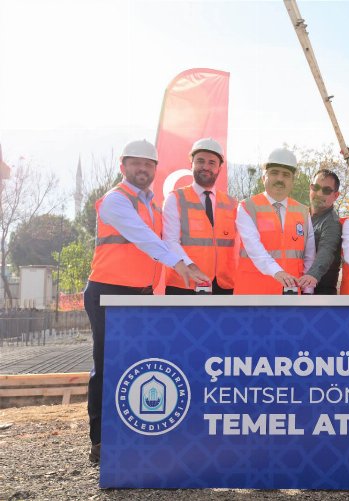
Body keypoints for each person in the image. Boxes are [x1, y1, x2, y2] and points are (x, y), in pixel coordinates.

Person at [84, 140, 208, 463]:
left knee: (133, 365)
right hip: (108, 291)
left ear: (155, 169)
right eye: (135, 163)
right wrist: (177, 263)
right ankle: (100, 440)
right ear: (122, 166)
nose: (142, 169)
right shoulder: (115, 200)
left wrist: (187, 263)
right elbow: (144, 238)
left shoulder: (153, 205)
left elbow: (167, 241)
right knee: (106, 363)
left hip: (141, 293)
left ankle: (129, 433)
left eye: (148, 164)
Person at [234, 147, 316, 294]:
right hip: (252, 295)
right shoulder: (247, 207)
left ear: (293, 181)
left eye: (286, 175)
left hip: (289, 295)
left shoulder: (303, 212)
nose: (279, 179)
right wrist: (277, 272)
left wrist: (308, 291)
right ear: (263, 177)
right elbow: (254, 248)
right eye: (274, 173)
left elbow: (309, 256)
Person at [162, 137, 237, 294]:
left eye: (212, 163)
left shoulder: (232, 204)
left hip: (222, 286)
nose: (205, 167)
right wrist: (191, 267)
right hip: (184, 285)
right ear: (191, 164)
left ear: (219, 168)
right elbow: (170, 241)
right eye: (200, 161)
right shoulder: (175, 199)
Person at [308, 169, 342, 295]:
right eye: (315, 187)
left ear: (336, 196)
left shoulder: (332, 223)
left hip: (321, 296)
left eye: (326, 190)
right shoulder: (300, 216)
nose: (319, 193)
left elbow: (326, 251)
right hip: (296, 291)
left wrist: (312, 276)